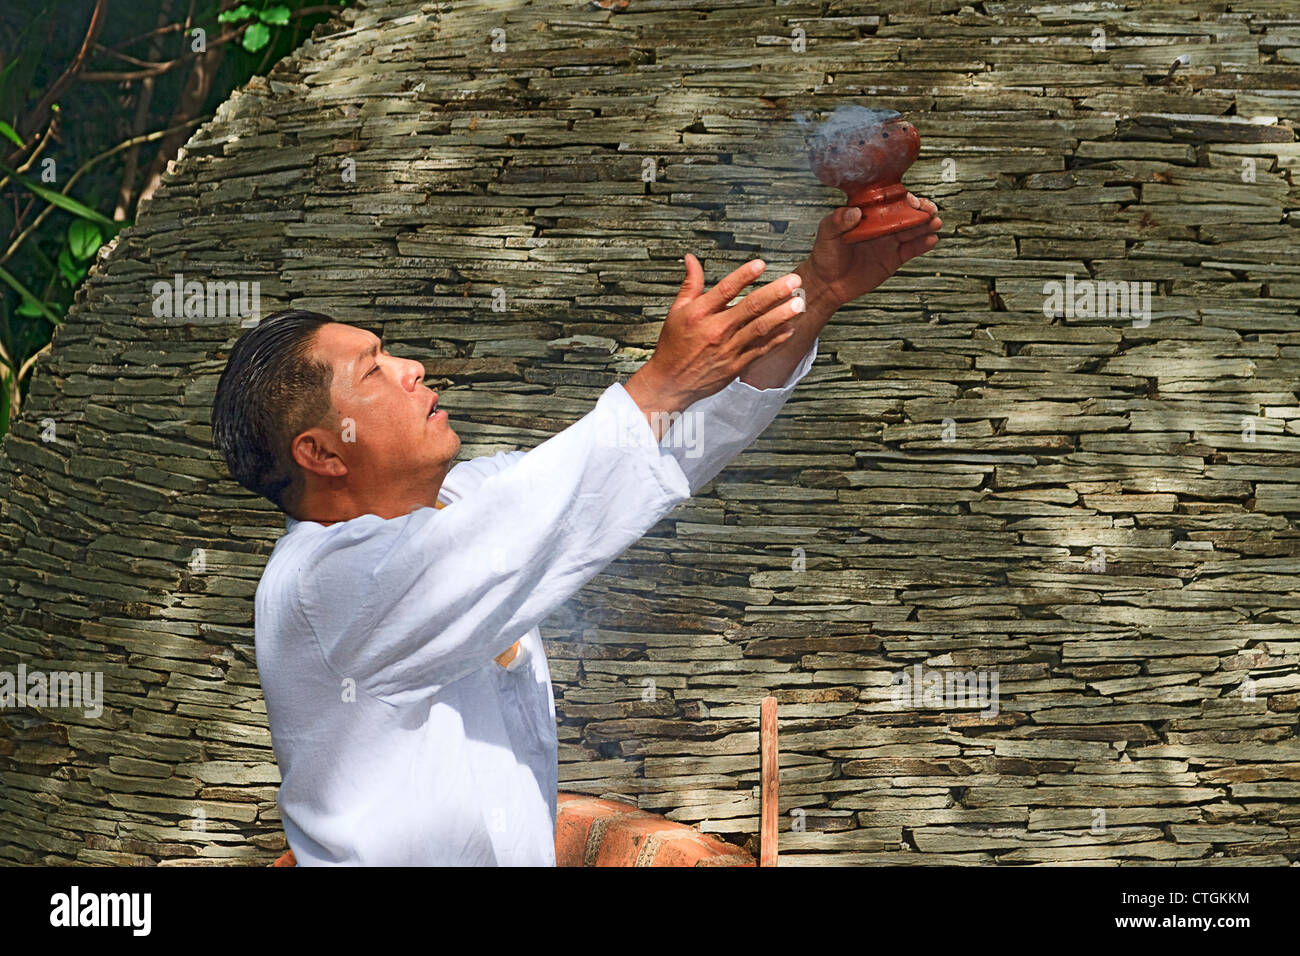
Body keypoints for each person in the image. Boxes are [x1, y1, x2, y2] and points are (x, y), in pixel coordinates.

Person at [211, 196, 941, 865]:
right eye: (374, 371)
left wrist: (815, 290)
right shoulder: (322, 587)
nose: (411, 368)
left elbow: (661, 450)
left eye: (391, 352)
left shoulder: (464, 500)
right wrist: (657, 381)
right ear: (322, 452)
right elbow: (543, 514)